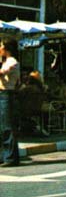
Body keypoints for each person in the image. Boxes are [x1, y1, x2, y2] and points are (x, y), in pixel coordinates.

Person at [0, 37, 21, 167]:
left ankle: (11, 157)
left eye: (1, 46)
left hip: (7, 94)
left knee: (7, 126)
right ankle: (3, 155)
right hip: (2, 94)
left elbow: (2, 72)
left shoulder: (12, 61)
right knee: (1, 127)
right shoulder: (5, 61)